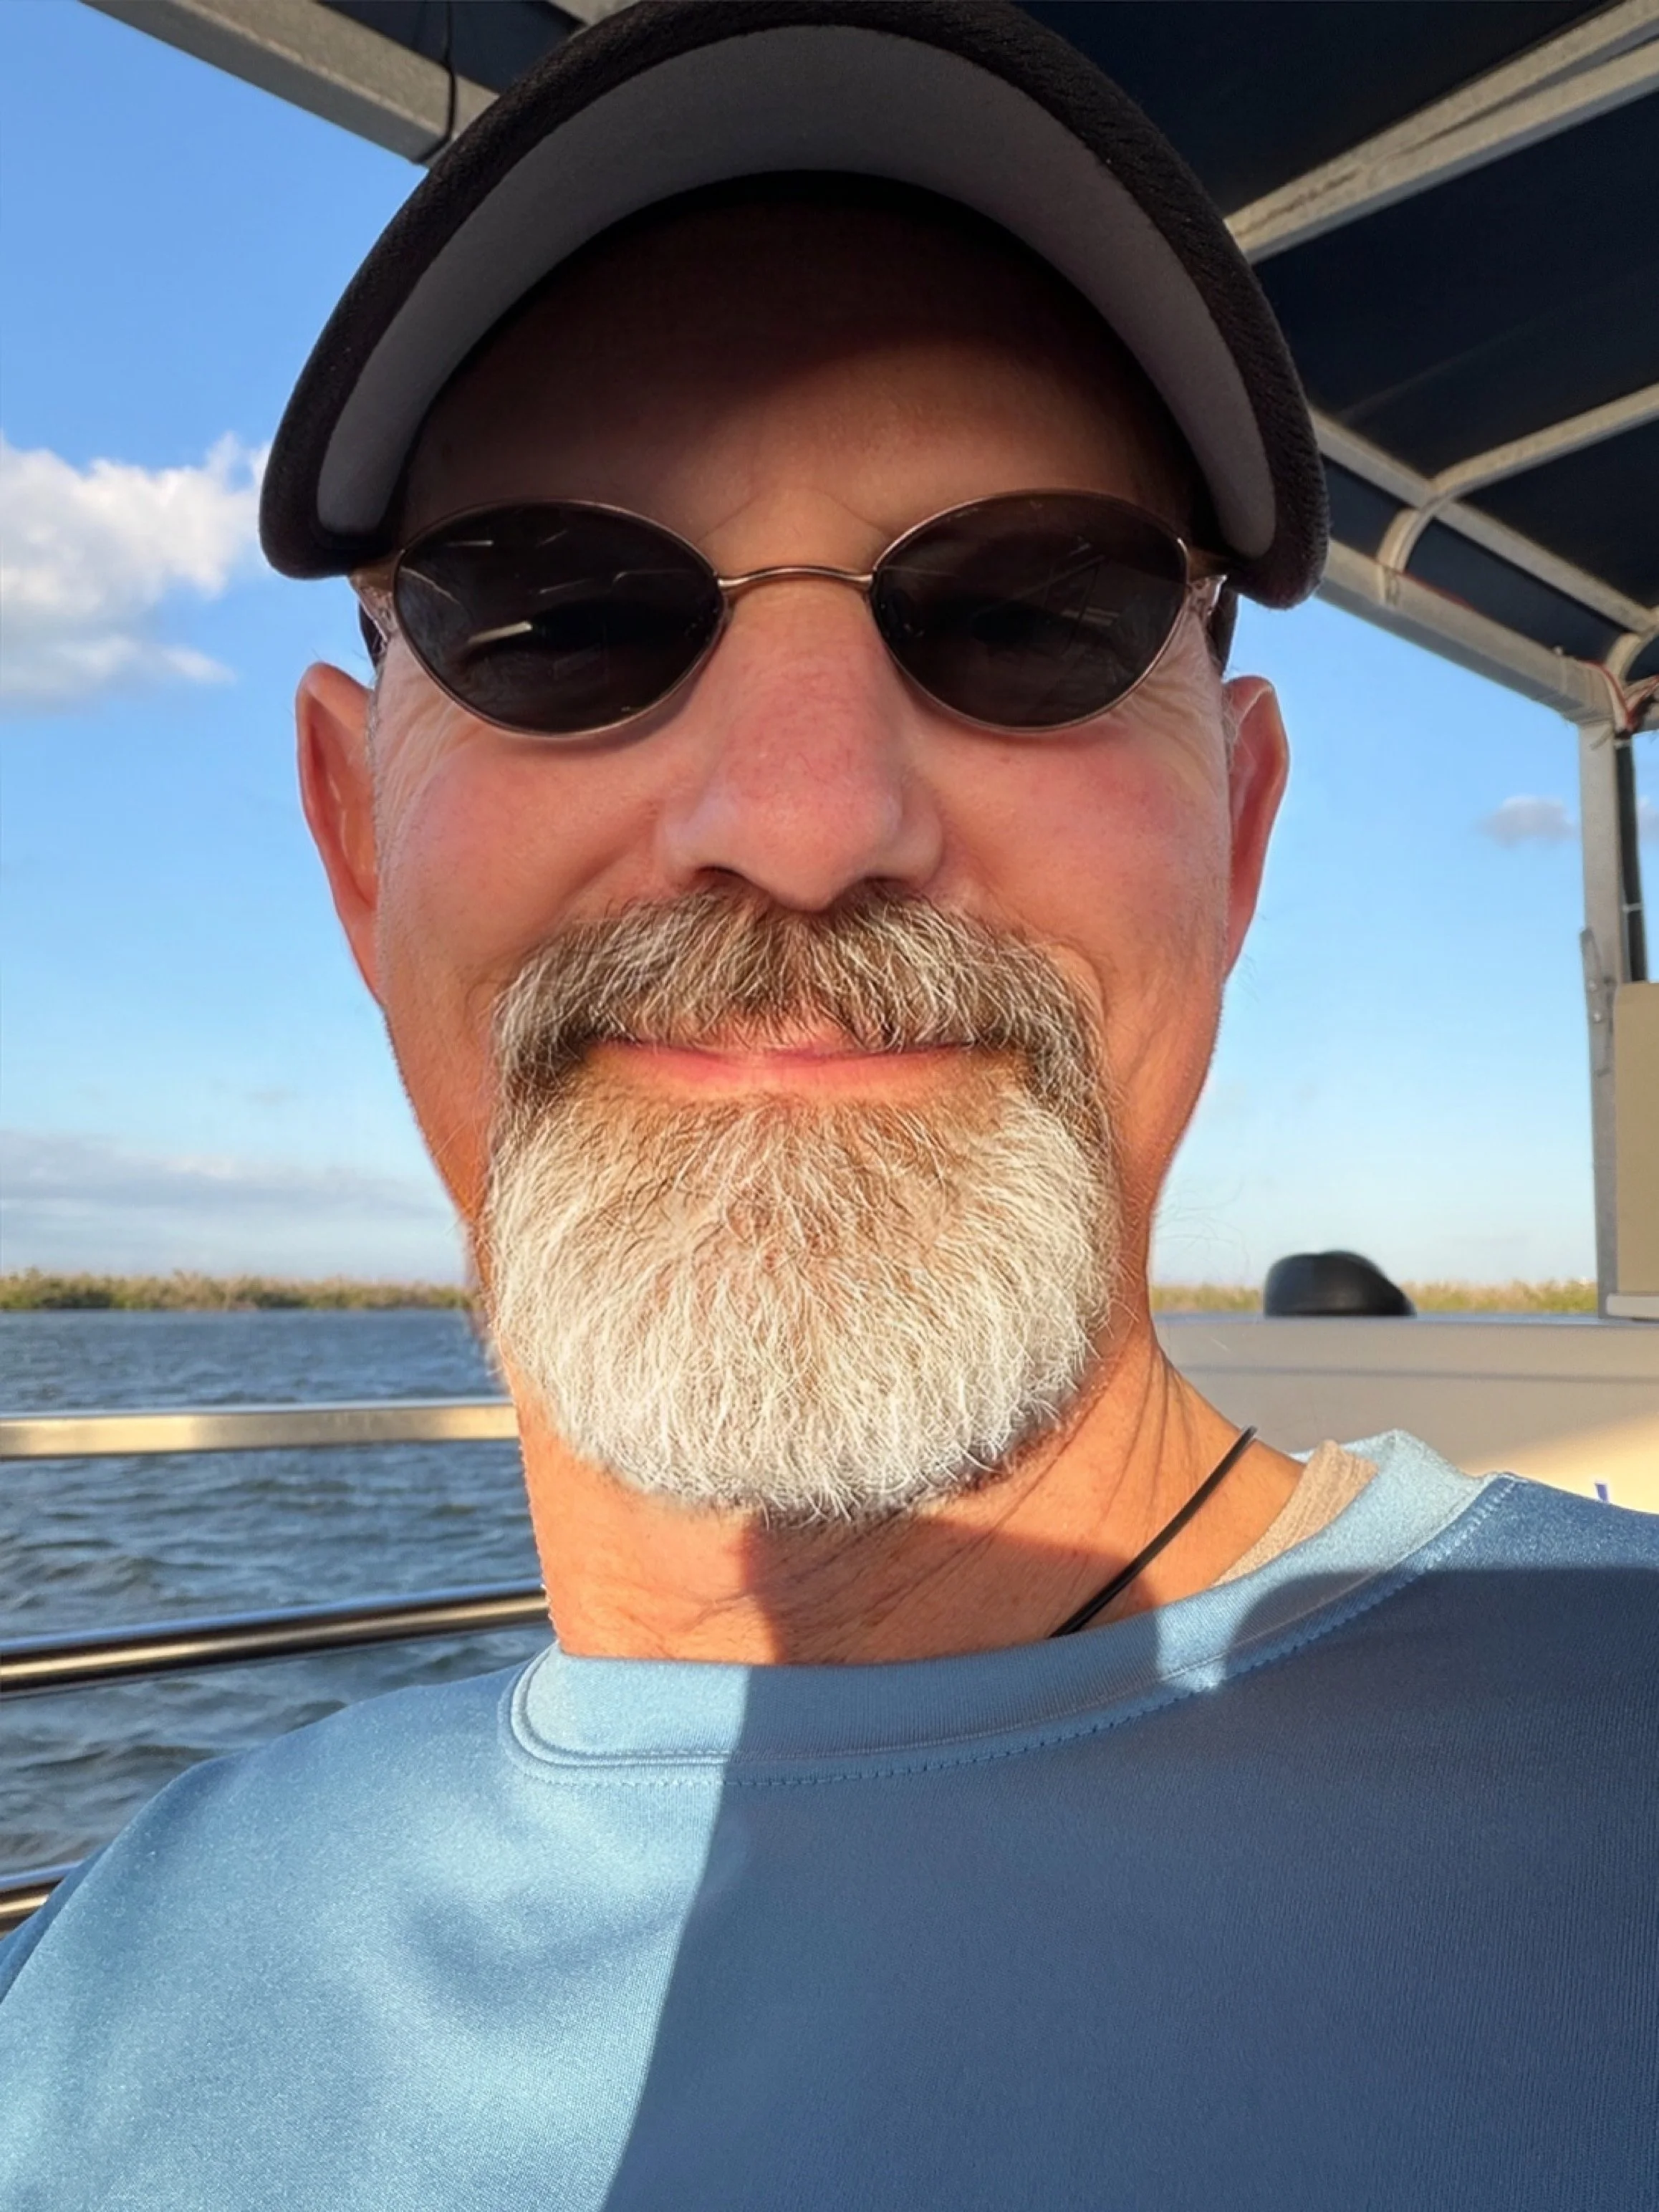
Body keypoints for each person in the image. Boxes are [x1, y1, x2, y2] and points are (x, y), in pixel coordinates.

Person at [2, 6, 1653, 2206]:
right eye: (557, 613)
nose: (798, 822)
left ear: (1238, 837)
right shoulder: (132, 1978)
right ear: (354, 838)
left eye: (1031, 608)